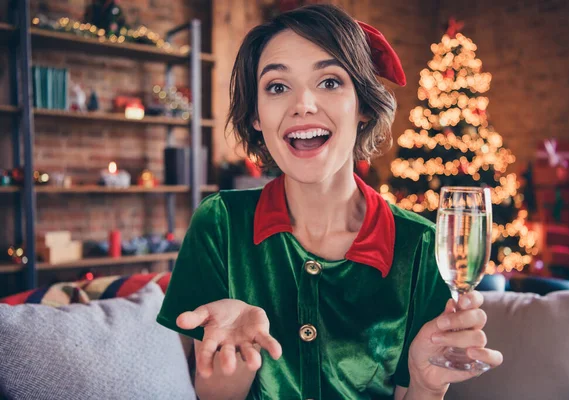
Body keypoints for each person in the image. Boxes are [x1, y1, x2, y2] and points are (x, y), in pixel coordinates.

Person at [156, 4, 503, 400]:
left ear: (364, 105)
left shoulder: (422, 246)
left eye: (330, 82)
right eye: (277, 87)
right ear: (255, 115)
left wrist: (425, 384)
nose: (303, 104)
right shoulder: (219, 224)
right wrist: (234, 359)